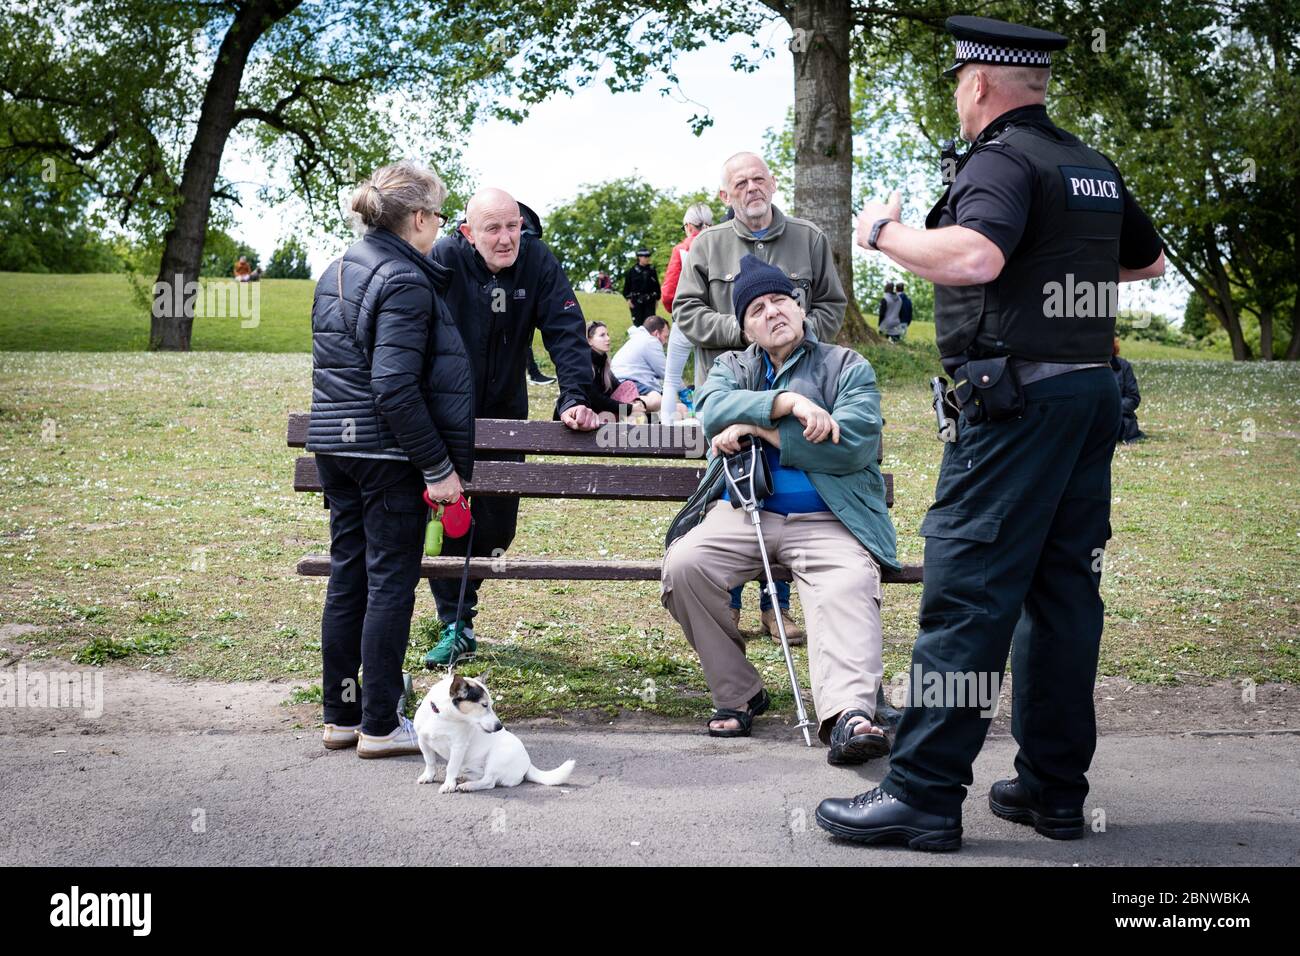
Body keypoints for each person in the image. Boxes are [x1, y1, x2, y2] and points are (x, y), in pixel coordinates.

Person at [816, 15, 1166, 851]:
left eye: (955, 81)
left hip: (1014, 413)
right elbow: (1148, 263)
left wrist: (882, 234)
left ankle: (924, 796)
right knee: (1061, 596)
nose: (955, 93)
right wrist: (1057, 273)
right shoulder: (1088, 164)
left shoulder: (1002, 159)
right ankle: (1052, 792)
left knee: (969, 594)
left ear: (977, 83)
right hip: (1088, 400)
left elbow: (973, 259)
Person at [661, 255, 900, 761]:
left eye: (781, 301)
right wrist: (790, 405)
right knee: (686, 566)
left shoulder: (845, 365)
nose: (772, 313)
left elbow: (851, 444)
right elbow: (711, 409)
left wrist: (756, 426)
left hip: (827, 518)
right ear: (745, 326)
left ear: (801, 306)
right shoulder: (733, 365)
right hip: (744, 512)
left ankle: (848, 715)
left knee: (848, 582)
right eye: (758, 309)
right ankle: (740, 693)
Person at [306, 159, 472, 758]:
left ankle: (341, 716)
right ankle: (380, 722)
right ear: (421, 218)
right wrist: (438, 468)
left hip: (336, 448)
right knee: (389, 583)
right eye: (441, 216)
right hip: (386, 452)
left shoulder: (336, 270)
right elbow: (395, 387)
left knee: (350, 576)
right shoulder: (404, 279)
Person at [673, 150, 850, 639]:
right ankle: (728, 602)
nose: (751, 189)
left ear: (772, 184)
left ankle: (777, 604)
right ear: (725, 195)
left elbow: (833, 304)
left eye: (758, 179)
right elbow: (686, 312)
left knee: (786, 491)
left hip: (800, 386)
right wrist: (748, 329)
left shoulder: (808, 239)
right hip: (729, 389)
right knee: (734, 493)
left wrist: (794, 331)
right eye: (739, 184)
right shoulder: (707, 245)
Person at [425, 187, 600, 666]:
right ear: (467, 233)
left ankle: (462, 596)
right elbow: (412, 325)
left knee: (499, 525)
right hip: (447, 409)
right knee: (450, 515)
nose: (506, 239)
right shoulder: (444, 259)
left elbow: (566, 331)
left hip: (506, 408)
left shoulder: (538, 260)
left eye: (513, 226)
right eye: (493, 229)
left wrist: (575, 397)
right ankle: (455, 620)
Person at [660, 202, 715, 426]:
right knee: (708, 375)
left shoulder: (682, 249)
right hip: (712, 320)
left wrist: (675, 311)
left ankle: (667, 422)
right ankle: (704, 420)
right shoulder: (720, 246)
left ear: (689, 226)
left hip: (685, 319)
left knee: (672, 376)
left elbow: (668, 293)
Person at [563, 320, 643, 423]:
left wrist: (636, 403)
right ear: (589, 341)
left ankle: (634, 423)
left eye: (607, 334)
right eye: (602, 335)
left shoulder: (602, 363)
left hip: (601, 414)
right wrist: (629, 409)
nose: (608, 338)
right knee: (630, 390)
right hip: (583, 416)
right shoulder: (584, 364)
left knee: (628, 386)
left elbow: (618, 388)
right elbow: (597, 399)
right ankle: (634, 425)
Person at [610, 315, 674, 414]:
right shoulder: (651, 342)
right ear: (657, 333)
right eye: (665, 337)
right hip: (628, 381)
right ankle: (622, 408)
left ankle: (624, 409)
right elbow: (667, 373)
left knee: (660, 403)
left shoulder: (637, 339)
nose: (665, 342)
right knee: (657, 400)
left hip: (619, 379)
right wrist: (684, 391)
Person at [1111, 337, 1144, 442]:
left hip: (1119, 420)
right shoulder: (1084, 367)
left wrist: (1110, 408)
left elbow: (1133, 398)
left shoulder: (1123, 366)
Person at [622, 248, 660, 327]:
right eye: (645, 256)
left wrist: (656, 299)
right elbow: (627, 287)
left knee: (650, 324)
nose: (647, 258)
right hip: (636, 302)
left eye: (648, 256)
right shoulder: (631, 271)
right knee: (638, 325)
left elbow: (656, 286)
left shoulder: (652, 270)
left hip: (650, 301)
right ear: (639, 257)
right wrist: (628, 300)